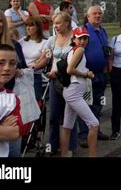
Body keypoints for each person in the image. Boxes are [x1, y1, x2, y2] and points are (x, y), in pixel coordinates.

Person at [60, 26, 98, 157]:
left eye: (85, 38)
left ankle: (64, 154)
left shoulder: (72, 50)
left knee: (67, 125)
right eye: (80, 38)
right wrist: (86, 74)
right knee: (94, 124)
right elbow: (69, 70)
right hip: (74, 92)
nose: (83, 41)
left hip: (71, 90)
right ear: (74, 39)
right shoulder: (80, 50)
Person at [44, 12, 78, 156]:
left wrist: (57, 72)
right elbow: (45, 57)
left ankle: (70, 147)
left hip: (71, 81)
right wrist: (33, 66)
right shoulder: (52, 40)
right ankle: (53, 145)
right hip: (54, 82)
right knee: (53, 116)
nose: (55, 26)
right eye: (54, 23)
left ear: (67, 23)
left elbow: (74, 61)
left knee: (69, 115)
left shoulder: (75, 39)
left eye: (58, 23)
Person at [77, 5, 110, 145]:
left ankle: (95, 129)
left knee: (98, 103)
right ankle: (84, 134)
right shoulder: (82, 30)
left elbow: (106, 49)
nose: (97, 16)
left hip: (101, 73)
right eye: (94, 14)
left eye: (99, 14)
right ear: (88, 16)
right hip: (87, 74)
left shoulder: (103, 31)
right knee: (85, 104)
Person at [19, 17, 47, 101]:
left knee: (35, 101)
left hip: (34, 76)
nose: (28, 28)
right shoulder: (22, 41)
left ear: (38, 27)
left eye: (31, 25)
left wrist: (33, 67)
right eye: (26, 25)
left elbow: (44, 60)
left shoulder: (44, 42)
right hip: (21, 75)